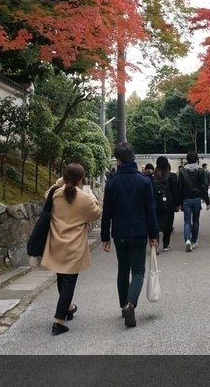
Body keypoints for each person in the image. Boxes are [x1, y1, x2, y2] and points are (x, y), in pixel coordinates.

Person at [101, 142, 159, 328]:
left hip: (119, 233)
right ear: (133, 158)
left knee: (123, 269)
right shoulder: (144, 181)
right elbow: (150, 211)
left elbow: (107, 211)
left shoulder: (112, 182)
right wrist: (153, 235)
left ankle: (123, 305)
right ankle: (130, 304)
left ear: (117, 160)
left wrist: (104, 236)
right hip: (139, 232)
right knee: (139, 271)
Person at [41, 162, 102, 335]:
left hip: (56, 243)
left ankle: (68, 308)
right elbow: (96, 212)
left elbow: (47, 195)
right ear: (81, 179)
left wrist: (59, 182)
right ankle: (58, 321)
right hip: (74, 246)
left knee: (62, 276)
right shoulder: (83, 198)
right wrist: (91, 195)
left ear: (64, 176)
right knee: (69, 282)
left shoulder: (55, 194)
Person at [176, 150, 210, 252]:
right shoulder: (200, 170)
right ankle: (194, 241)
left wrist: (179, 202)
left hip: (186, 199)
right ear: (196, 159)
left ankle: (187, 240)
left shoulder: (182, 171)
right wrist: (207, 201)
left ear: (187, 159)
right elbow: (204, 186)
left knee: (187, 221)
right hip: (196, 199)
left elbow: (179, 187)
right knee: (195, 220)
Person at [151, 155, 179, 251]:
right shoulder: (172, 176)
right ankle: (166, 244)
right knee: (168, 225)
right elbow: (175, 191)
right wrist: (177, 204)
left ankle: (156, 243)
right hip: (169, 204)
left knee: (156, 225)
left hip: (155, 204)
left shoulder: (152, 177)